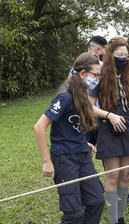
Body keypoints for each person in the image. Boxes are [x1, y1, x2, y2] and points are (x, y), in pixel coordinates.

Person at [34, 53, 105, 224]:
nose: (98, 79)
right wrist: (46, 161)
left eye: (99, 75)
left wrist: (84, 142)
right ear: (82, 74)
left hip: (82, 155)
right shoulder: (65, 96)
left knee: (96, 201)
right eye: (95, 75)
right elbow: (39, 127)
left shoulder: (82, 94)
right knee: (73, 215)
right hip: (65, 159)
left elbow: (70, 127)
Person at [88, 37, 129, 224]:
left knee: (125, 175)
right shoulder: (99, 73)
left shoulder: (127, 74)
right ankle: (113, 221)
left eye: (126, 55)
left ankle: (121, 219)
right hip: (108, 127)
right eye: (120, 55)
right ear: (110, 54)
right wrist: (109, 116)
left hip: (127, 128)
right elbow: (89, 107)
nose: (123, 58)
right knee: (112, 175)